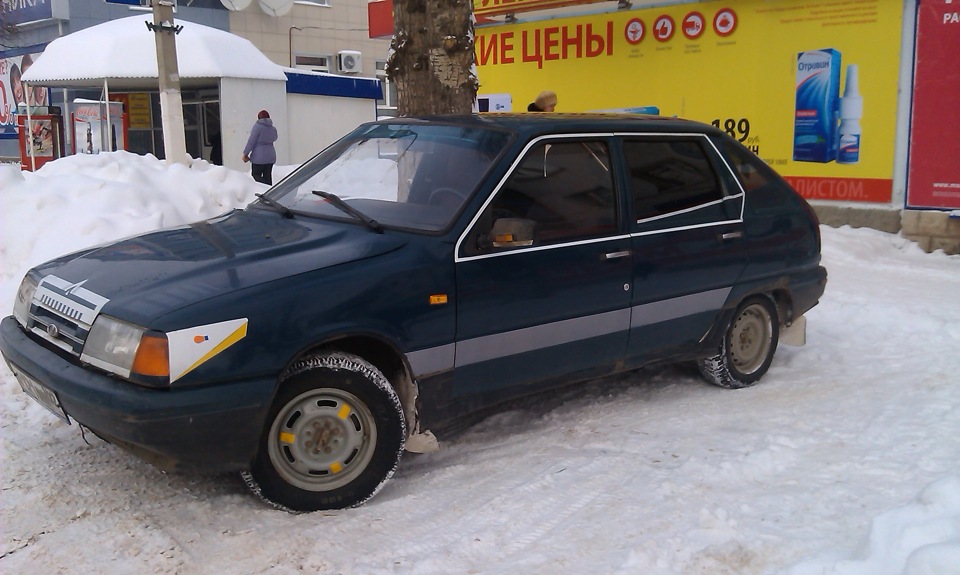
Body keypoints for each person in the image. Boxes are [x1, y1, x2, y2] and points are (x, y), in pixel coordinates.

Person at [242, 109, 278, 185]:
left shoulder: (257, 127)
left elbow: (251, 141)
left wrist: (245, 153)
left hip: (259, 157)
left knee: (255, 174)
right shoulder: (273, 129)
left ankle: (264, 189)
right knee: (267, 176)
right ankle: (270, 192)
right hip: (270, 155)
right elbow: (275, 138)